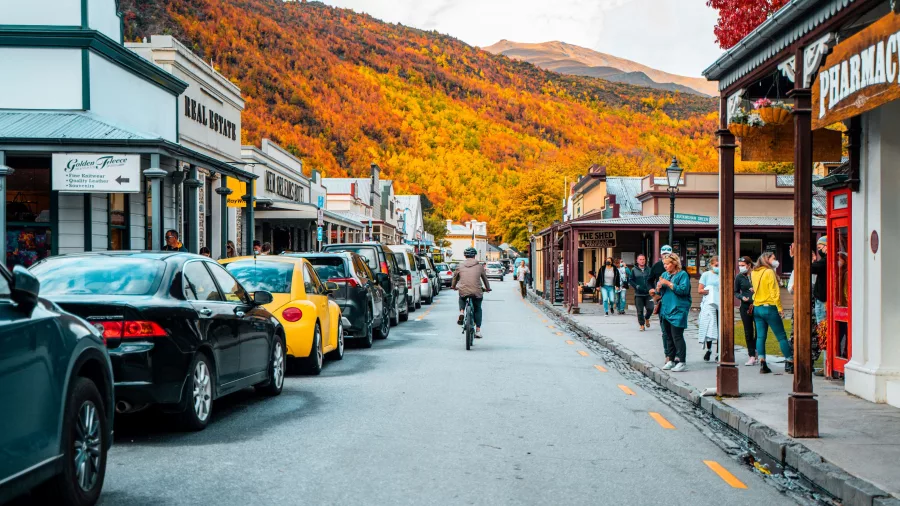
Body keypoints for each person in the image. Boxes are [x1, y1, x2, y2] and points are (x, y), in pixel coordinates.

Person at [752, 252, 793, 374]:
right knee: (781, 337)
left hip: (757, 307)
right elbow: (774, 292)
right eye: (774, 258)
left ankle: (762, 361)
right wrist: (780, 308)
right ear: (767, 259)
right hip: (769, 307)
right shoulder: (769, 272)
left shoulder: (754, 272)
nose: (776, 261)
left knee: (760, 336)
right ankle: (790, 361)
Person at [657, 254, 691, 372]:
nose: (665, 266)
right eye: (664, 264)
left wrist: (669, 284)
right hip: (666, 309)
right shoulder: (665, 275)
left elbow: (683, 290)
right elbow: (660, 292)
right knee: (668, 336)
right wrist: (658, 287)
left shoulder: (682, 275)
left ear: (675, 263)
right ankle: (670, 360)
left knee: (677, 336)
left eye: (667, 264)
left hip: (678, 309)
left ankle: (682, 361)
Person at [452, 247, 491, 338]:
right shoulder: (479, 266)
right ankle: (478, 330)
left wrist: (453, 286)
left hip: (463, 290)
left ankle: (462, 312)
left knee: (462, 297)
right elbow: (485, 279)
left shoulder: (460, 266)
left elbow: (455, 278)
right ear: (474, 256)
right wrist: (488, 288)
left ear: (465, 256)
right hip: (477, 291)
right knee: (478, 309)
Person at [735, 256, 757, 365]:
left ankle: (757, 350)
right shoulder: (739, 277)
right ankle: (751, 355)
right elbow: (735, 291)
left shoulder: (755, 274)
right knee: (748, 331)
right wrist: (741, 297)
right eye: (739, 265)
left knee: (759, 330)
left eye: (743, 265)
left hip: (757, 304)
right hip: (745, 306)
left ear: (749, 265)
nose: (741, 267)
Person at [697, 256, 720, 362]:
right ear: (711, 265)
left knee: (720, 328)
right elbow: (700, 290)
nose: (718, 267)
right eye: (716, 265)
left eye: (720, 265)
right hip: (709, 304)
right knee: (709, 325)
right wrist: (710, 291)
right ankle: (709, 349)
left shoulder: (722, 275)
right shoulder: (706, 275)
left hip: (720, 304)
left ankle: (718, 352)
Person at [629, 254, 654, 331]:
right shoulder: (634, 270)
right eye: (640, 259)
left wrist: (653, 288)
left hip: (648, 293)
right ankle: (642, 325)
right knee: (639, 311)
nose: (642, 261)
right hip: (639, 293)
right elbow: (630, 280)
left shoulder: (649, 269)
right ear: (637, 260)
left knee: (650, 308)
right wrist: (636, 286)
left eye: (643, 259)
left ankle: (647, 318)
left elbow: (652, 280)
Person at [811, 236, 828, 324]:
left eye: (819, 248)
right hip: (824, 299)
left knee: (822, 327)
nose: (818, 250)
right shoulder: (825, 261)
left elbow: (810, 268)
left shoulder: (826, 261)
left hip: (823, 300)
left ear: (826, 247)